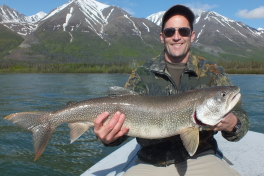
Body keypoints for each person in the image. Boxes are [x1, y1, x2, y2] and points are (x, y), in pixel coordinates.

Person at [94, 4, 249, 176]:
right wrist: (107, 138)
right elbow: (121, 133)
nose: (177, 37)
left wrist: (233, 124)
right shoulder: (141, 74)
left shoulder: (213, 72)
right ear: (162, 37)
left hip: (201, 157)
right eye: (170, 32)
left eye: (183, 31)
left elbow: (241, 121)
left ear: (192, 35)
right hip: (151, 161)